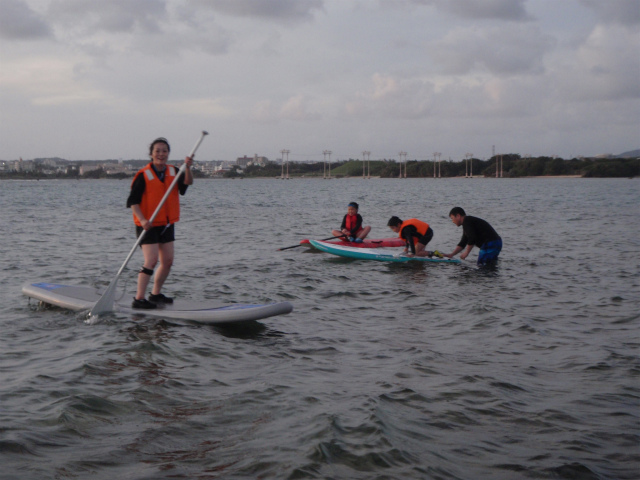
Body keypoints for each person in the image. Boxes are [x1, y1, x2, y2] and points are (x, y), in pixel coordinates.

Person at [126, 137, 194, 309]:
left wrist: (188, 168)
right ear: (151, 154)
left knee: (168, 261)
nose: (161, 154)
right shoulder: (143, 175)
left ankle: (155, 294)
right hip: (148, 224)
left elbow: (186, 185)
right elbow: (132, 201)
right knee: (151, 260)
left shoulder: (174, 171)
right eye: (157, 151)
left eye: (164, 151)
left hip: (167, 223)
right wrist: (142, 220)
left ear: (168, 153)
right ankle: (139, 298)